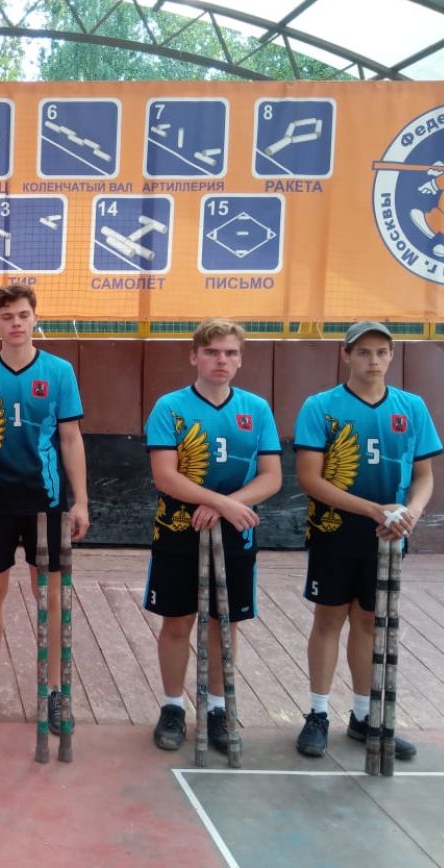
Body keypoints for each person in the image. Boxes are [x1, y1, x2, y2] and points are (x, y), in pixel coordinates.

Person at [293, 320, 441, 760]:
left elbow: (424, 477)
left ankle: (364, 716)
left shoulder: (412, 407)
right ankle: (318, 713)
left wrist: (410, 513)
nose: (373, 360)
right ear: (346, 355)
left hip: (389, 533)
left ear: (392, 356)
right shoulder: (321, 407)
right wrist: (374, 509)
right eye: (363, 352)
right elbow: (310, 479)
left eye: (381, 352)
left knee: (369, 620)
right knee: (329, 618)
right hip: (336, 530)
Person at [0, 283, 90, 733]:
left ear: (35, 318)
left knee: (50, 595)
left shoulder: (59, 371)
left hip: (46, 503)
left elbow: (70, 438)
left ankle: (54, 692)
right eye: (7, 316)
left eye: (23, 315)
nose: (16, 323)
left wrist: (81, 500)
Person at [145, 318, 281, 753]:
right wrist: (219, 502)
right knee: (177, 620)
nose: (221, 360)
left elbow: (272, 476)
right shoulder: (170, 407)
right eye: (212, 352)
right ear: (194, 357)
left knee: (226, 622)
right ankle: (172, 707)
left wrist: (227, 505)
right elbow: (165, 476)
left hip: (236, 531)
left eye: (230, 353)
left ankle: (218, 709)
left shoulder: (256, 409)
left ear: (240, 360)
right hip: (178, 529)